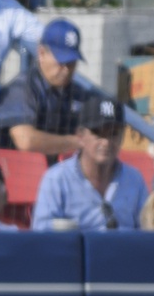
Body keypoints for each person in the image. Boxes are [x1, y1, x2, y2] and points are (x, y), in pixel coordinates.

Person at [31, 94, 146, 229]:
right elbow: (41, 232)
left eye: (113, 133)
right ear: (80, 136)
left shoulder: (134, 179)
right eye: (98, 133)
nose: (106, 142)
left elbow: (147, 231)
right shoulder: (56, 179)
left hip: (123, 250)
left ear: (121, 137)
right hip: (74, 249)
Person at [0, 17, 90, 155]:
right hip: (19, 170)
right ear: (41, 53)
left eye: (71, 62)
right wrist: (77, 142)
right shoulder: (21, 90)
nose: (66, 69)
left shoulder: (77, 92)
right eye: (61, 61)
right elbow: (26, 141)